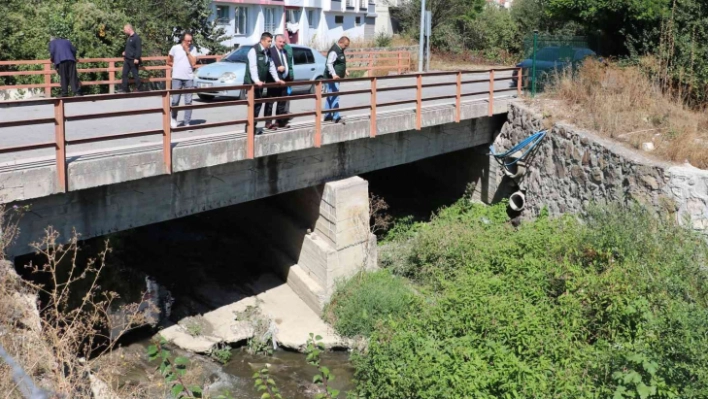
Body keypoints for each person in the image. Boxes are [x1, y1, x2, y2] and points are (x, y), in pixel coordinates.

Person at [245, 32, 284, 135]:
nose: (270, 43)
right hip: (251, 83)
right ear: (262, 41)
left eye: (271, 41)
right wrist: (256, 80)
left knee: (258, 105)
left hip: (260, 84)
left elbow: (271, 66)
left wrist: (276, 79)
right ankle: (249, 128)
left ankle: (252, 127)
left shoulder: (267, 51)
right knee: (254, 105)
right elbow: (253, 68)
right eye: (269, 41)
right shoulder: (254, 51)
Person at [167, 33, 198, 129]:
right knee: (175, 100)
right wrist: (176, 66)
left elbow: (193, 62)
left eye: (190, 41)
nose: (189, 42)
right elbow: (169, 60)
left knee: (188, 100)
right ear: (182, 40)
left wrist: (187, 52)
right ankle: (173, 119)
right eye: (187, 41)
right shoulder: (175, 48)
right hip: (177, 77)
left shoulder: (193, 49)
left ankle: (187, 121)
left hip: (188, 77)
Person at [265, 34, 294, 130]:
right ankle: (268, 123)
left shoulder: (285, 51)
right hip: (273, 81)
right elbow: (267, 65)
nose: (282, 44)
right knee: (270, 102)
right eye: (280, 42)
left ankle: (279, 122)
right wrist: (277, 68)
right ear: (275, 42)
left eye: (283, 42)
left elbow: (287, 64)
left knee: (282, 102)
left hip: (284, 81)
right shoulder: (270, 51)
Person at [323, 36, 350, 124]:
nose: (346, 47)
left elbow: (339, 62)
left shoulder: (340, 50)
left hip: (335, 77)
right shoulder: (334, 50)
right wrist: (334, 75)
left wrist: (344, 70)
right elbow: (329, 64)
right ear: (341, 42)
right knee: (335, 96)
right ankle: (336, 117)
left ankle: (327, 116)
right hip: (332, 78)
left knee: (330, 96)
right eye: (345, 45)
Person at [121, 24, 143, 93]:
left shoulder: (136, 37)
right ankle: (125, 89)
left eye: (125, 30)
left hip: (133, 60)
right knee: (124, 74)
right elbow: (130, 48)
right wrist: (125, 52)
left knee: (135, 75)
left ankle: (140, 89)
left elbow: (138, 49)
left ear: (129, 29)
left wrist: (136, 58)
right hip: (127, 59)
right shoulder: (129, 38)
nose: (124, 31)